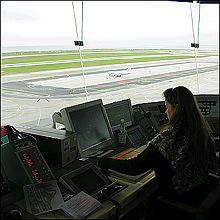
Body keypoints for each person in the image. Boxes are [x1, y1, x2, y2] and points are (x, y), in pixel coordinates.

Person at [98, 86, 217, 199]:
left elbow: (133, 168)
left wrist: (102, 161)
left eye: (167, 107)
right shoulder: (201, 131)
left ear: (176, 109)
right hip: (202, 192)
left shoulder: (167, 139)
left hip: (180, 199)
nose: (166, 112)